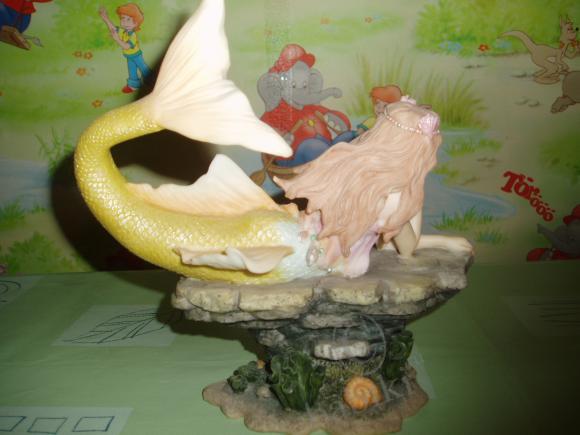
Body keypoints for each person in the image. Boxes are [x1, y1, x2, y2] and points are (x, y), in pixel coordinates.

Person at [99, 3, 151, 93]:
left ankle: (153, 82)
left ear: (135, 23)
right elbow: (113, 29)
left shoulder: (133, 35)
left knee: (144, 69)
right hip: (129, 56)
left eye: (128, 19)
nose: (125, 22)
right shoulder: (123, 31)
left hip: (136, 56)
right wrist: (105, 18)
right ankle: (134, 86)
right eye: (123, 18)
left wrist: (117, 39)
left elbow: (126, 46)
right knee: (132, 70)